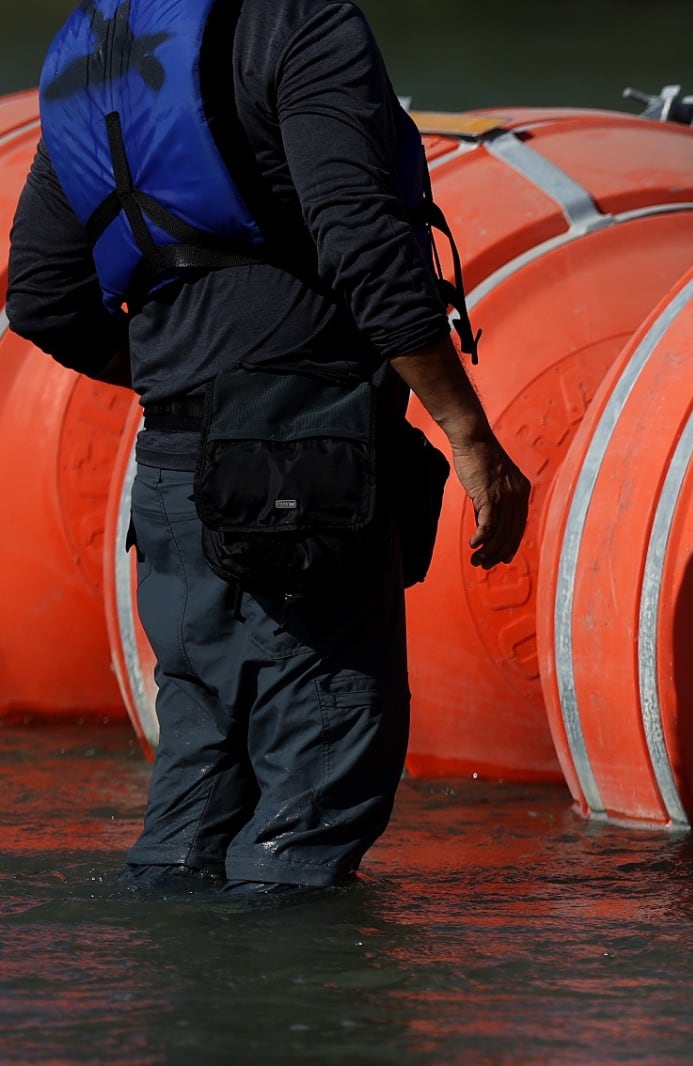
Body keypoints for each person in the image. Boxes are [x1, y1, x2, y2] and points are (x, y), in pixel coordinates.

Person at [5, 0, 532, 894]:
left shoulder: (94, 48)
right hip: (308, 469)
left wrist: (192, 382)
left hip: (171, 476)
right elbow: (366, 245)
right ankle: (293, 1022)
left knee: (194, 797)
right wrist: (469, 433)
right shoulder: (302, 23)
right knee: (318, 793)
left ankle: (179, 1014)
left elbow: (43, 296)